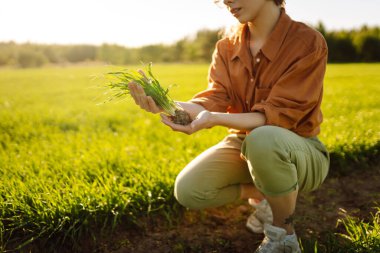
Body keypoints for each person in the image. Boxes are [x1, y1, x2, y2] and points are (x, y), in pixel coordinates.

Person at [128, 0, 330, 252]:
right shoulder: (226, 46)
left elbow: (277, 114)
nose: (225, 1)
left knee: (263, 138)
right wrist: (167, 105)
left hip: (300, 151)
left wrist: (214, 118)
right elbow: (214, 99)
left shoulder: (306, 42)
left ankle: (283, 238)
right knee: (189, 190)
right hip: (245, 144)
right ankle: (271, 194)